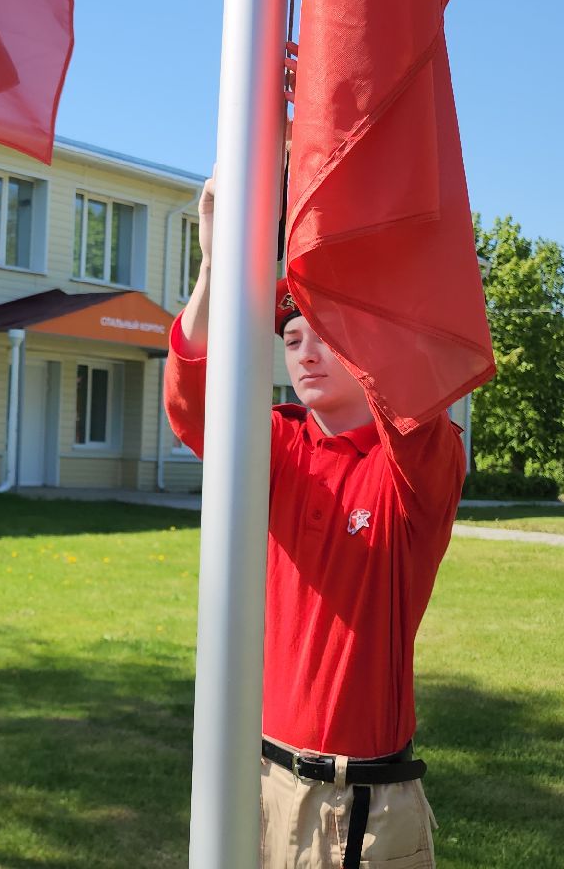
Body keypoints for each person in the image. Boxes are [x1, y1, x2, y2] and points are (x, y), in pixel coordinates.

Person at [164, 178, 464, 868]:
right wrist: (216, 266)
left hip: (358, 804)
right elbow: (193, 403)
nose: (302, 351)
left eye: (326, 335)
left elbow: (415, 403)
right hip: (258, 781)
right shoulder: (276, 446)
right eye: (292, 335)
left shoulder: (415, 463)